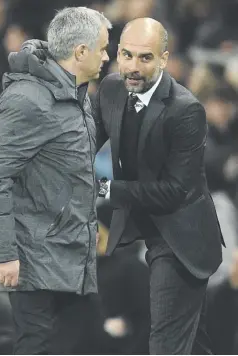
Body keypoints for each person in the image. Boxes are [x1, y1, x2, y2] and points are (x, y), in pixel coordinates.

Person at [0, 7, 111, 355]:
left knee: (89, 344)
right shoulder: (27, 99)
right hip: (34, 257)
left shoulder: (78, 96)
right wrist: (4, 254)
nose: (107, 56)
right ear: (81, 52)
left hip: (71, 253)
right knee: (36, 348)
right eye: (103, 48)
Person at [96, 18, 225, 354]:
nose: (133, 67)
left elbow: (174, 191)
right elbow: (82, 142)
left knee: (166, 346)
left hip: (182, 239)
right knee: (192, 346)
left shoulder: (186, 110)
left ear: (165, 59)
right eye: (127, 55)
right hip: (145, 229)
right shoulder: (111, 89)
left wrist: (106, 190)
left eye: (145, 58)